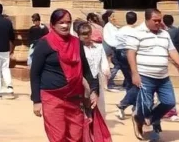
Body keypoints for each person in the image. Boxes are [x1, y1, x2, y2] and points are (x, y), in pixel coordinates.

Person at [30, 9, 110, 142]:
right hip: (53, 98)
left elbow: (86, 70)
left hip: (74, 98)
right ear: (53, 24)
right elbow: (35, 74)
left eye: (68, 22)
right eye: (61, 22)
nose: (65, 26)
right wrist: (36, 101)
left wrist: (94, 90)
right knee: (58, 136)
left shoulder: (76, 43)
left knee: (76, 135)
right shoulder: (44, 44)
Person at [125, 9, 179, 141]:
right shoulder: (137, 33)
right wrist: (134, 73)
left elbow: (172, 50)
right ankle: (143, 121)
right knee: (145, 104)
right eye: (155, 21)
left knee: (169, 102)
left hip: (163, 77)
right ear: (147, 19)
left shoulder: (165, 34)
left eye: (160, 20)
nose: (159, 23)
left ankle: (145, 119)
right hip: (145, 76)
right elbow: (131, 53)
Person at [77, 20, 111, 115]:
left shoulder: (99, 47)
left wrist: (106, 72)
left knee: (98, 106)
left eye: (88, 33)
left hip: (97, 79)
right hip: (83, 80)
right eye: (83, 34)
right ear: (79, 35)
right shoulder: (77, 49)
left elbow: (104, 61)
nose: (86, 36)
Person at [114, 11, 140, 119]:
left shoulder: (120, 31)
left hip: (119, 54)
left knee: (130, 81)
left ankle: (135, 105)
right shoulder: (136, 32)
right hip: (130, 54)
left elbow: (115, 44)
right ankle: (123, 104)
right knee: (137, 82)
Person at [101, 10, 120, 90]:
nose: (114, 18)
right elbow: (111, 39)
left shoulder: (112, 26)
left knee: (114, 65)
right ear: (108, 18)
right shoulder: (108, 26)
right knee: (114, 65)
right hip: (110, 48)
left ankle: (109, 81)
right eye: (112, 16)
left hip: (112, 47)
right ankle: (108, 80)